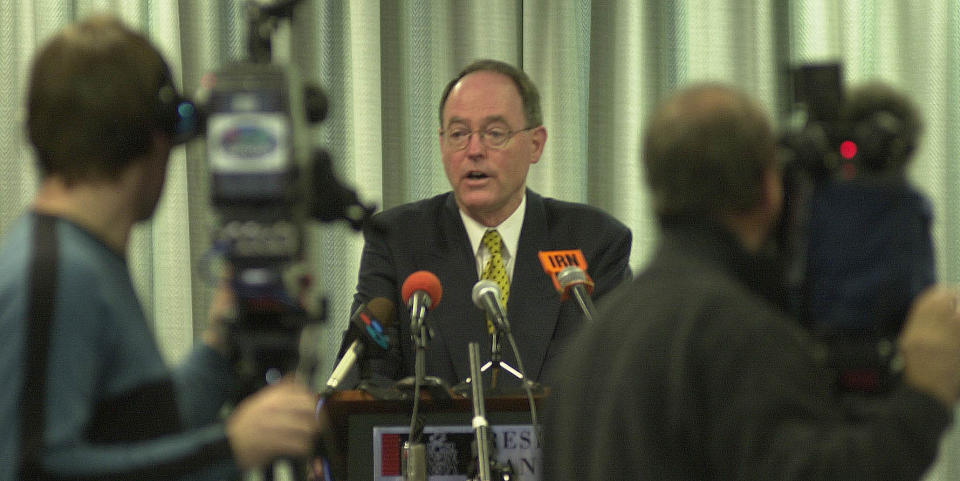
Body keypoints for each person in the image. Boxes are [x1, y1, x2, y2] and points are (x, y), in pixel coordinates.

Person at [543, 84, 960, 480]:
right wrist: (926, 393)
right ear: (769, 187)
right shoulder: (735, 333)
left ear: (657, 190)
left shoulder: (591, 342)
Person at [0, 15, 321, 480]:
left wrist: (222, 346)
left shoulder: (86, 257)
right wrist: (232, 449)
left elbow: (140, 434)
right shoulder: (55, 271)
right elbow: (37, 469)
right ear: (153, 137)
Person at [345, 59, 632, 389]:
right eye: (458, 134)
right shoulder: (397, 239)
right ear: (442, 144)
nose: (475, 150)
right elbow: (365, 378)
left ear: (536, 144)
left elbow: (618, 377)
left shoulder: (595, 241)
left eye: (495, 133)